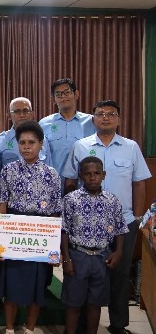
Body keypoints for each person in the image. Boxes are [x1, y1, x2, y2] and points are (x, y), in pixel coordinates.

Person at [62, 100, 151, 334]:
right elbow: (70, 180)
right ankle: (84, 325)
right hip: (86, 226)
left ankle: (118, 324)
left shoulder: (131, 147)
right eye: (100, 114)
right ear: (93, 119)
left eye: (111, 114)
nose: (105, 117)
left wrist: (138, 217)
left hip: (123, 222)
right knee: (85, 273)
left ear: (119, 119)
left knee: (120, 274)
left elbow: (139, 182)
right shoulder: (81, 146)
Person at [0, 121, 62, 334]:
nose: (27, 146)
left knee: (37, 287)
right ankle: (10, 328)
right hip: (13, 234)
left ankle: (30, 329)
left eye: (32, 142)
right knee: (11, 286)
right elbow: (2, 205)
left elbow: (56, 212)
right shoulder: (8, 171)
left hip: (40, 237)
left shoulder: (52, 174)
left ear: (41, 144)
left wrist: (55, 246)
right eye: (22, 142)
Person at [61, 156, 128, 334]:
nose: (92, 177)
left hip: (101, 258)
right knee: (73, 303)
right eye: (88, 174)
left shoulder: (112, 201)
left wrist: (119, 251)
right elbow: (64, 230)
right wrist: (66, 258)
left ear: (103, 175)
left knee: (95, 303)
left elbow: (120, 228)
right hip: (78, 256)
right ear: (81, 176)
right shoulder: (71, 200)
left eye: (97, 173)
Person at [39, 78, 95, 182]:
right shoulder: (44, 124)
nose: (63, 96)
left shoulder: (91, 122)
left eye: (67, 92)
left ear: (76, 94)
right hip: (53, 182)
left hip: (84, 184)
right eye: (58, 94)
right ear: (53, 99)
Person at [0, 97, 52, 170]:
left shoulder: (42, 139)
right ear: (9, 116)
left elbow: (48, 168)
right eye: (17, 111)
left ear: (32, 114)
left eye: (25, 111)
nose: (22, 115)